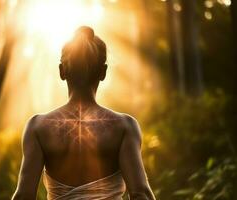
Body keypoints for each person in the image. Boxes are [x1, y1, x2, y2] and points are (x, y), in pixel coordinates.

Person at [12, 26, 156, 200]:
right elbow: (140, 193)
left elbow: (24, 196)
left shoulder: (37, 127)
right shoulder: (124, 126)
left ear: (61, 71)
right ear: (103, 72)